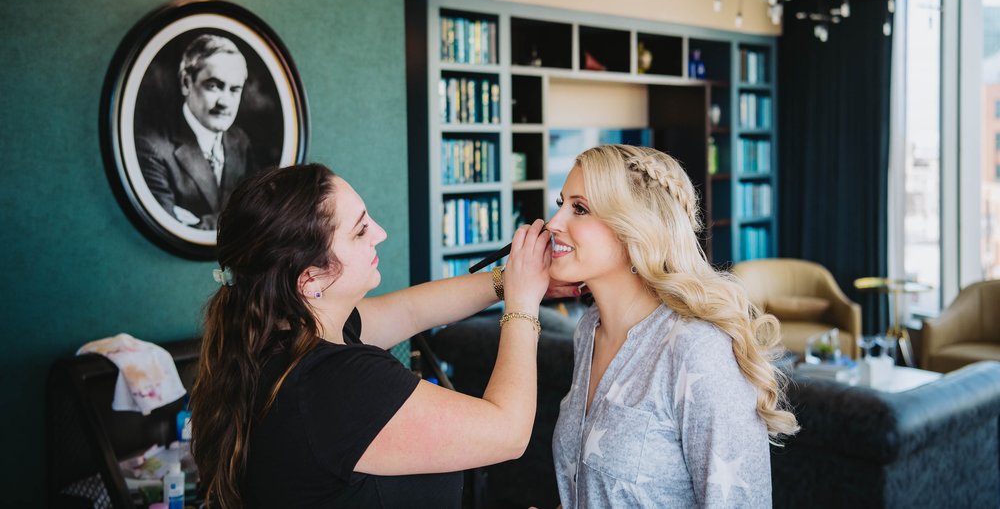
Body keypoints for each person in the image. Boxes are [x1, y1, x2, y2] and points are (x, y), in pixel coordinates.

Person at [190, 163, 574, 508]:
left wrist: (507, 282)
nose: (380, 233)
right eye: (360, 231)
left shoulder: (286, 334)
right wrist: (523, 303)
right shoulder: (335, 384)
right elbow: (507, 433)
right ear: (311, 279)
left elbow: (410, 310)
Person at [550, 145, 799, 508]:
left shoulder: (698, 349)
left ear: (634, 227)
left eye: (579, 209)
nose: (553, 223)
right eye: (561, 204)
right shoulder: (589, 330)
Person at [136, 33, 256, 230]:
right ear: (186, 83)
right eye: (213, 86)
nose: (224, 102)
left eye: (234, 90)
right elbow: (169, 230)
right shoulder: (152, 148)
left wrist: (202, 224)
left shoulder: (239, 140)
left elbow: (257, 217)